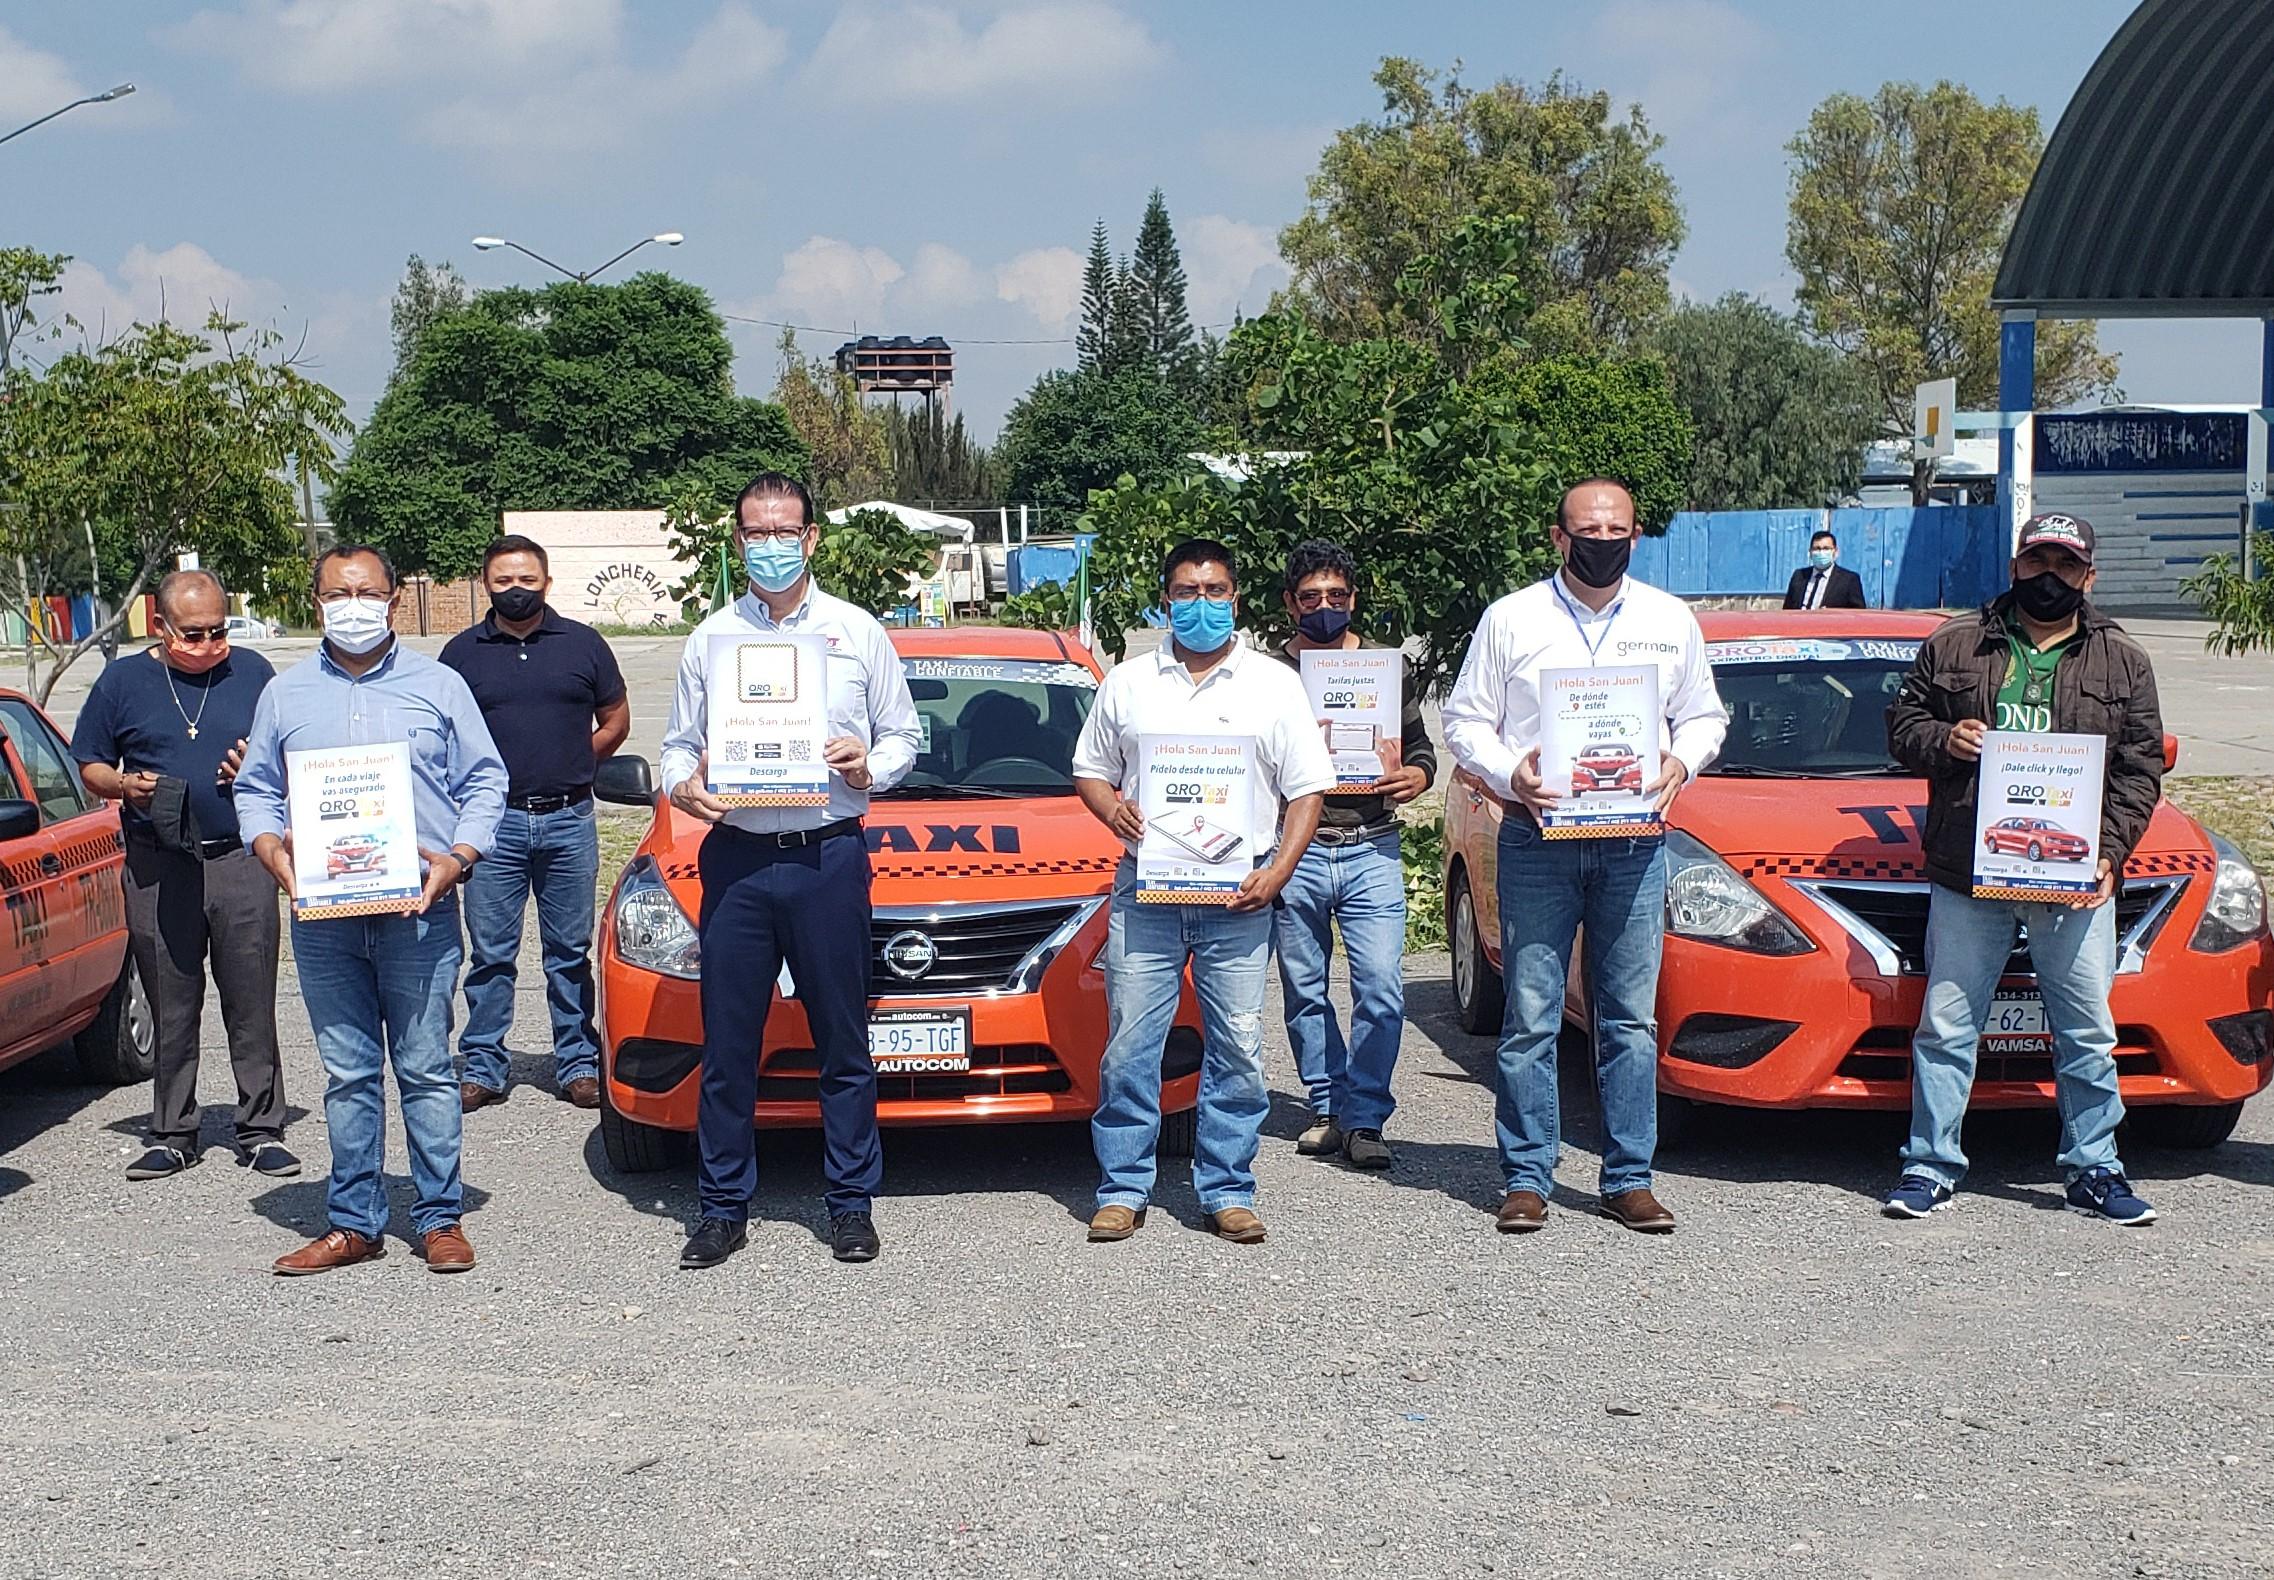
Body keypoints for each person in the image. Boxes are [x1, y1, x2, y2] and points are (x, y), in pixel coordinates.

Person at [1443, 479, 1728, 1236]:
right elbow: (1465, 720)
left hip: (1635, 844)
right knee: (1532, 1016)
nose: (1603, 541)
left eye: (1617, 530)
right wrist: (1512, 775)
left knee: (1629, 1019)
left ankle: (1628, 1177)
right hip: (1539, 841)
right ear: (1558, 538)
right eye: (1587, 530)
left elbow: (1704, 714)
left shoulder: (1671, 621)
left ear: (1637, 537)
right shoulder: (1512, 619)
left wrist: (1682, 764)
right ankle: (1527, 1176)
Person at [659, 473, 922, 1271]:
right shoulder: (710, 638)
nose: (770, 546)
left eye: (785, 533)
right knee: (728, 1044)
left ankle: (849, 1204)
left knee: (843, 1040)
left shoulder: (856, 632)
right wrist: (683, 784)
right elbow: (677, 743)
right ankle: (721, 1207)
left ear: (811, 539)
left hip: (827, 856)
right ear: (736, 542)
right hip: (736, 859)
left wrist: (869, 765)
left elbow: (904, 737)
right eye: (755, 533)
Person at [234, 545, 507, 1276]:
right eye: (337, 592)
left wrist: (461, 856)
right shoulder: (286, 695)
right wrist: (271, 851)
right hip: (324, 919)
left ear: (393, 600)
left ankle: (440, 1218)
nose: (352, 604)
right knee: (348, 1074)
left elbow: (486, 782)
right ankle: (354, 1222)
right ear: (316, 600)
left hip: (418, 911)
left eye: (367, 592)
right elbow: (255, 789)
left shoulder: (440, 686)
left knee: (425, 1069)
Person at [1881, 512, 2162, 1225]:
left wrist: (2109, 852)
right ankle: (1930, 1163)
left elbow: (2138, 771)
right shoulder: (1955, 642)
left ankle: (2095, 1167)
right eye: (2037, 562)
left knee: (2086, 1031)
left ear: (2088, 577)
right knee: (1947, 1026)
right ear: (2014, 567)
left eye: (2064, 566)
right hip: (1969, 873)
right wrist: (1947, 738)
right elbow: (1901, 729)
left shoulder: (2123, 660)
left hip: (2072, 880)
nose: (2048, 577)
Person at [1072, 538, 1333, 1246]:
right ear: (1166, 600)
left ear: (1237, 599)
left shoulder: (1273, 683)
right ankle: (1123, 1187)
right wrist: (1111, 809)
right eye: (1186, 592)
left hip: (1241, 890)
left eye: (1215, 591)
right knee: (1130, 1045)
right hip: (1147, 888)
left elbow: (1307, 787)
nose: (1201, 604)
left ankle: (1226, 1188)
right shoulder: (1127, 681)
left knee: (1240, 1047)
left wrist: (1278, 869)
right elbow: (1090, 770)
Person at [72, 569, 291, 1182]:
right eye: (193, 635)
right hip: (158, 861)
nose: (210, 644)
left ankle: (261, 1127)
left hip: (241, 858)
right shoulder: (122, 682)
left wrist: (259, 762)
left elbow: (287, 755)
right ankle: (172, 1131)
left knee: (251, 999)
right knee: (170, 1000)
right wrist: (124, 786)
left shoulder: (252, 673)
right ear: (159, 626)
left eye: (219, 631)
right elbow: (89, 762)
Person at [442, 534, 630, 1113]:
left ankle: (576, 1060)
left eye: (527, 580)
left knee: (568, 951)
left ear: (547, 583)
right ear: (486, 584)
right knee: (492, 953)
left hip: (569, 820)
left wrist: (577, 760)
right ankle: (482, 1064)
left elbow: (615, 718)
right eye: (503, 580)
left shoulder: (584, 645)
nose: (516, 590)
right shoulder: (461, 653)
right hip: (491, 826)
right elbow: (443, 735)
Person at [1271, 540, 1435, 1169]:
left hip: (1371, 846)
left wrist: (1417, 777)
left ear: (1353, 599)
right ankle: (1325, 1105)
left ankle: (1366, 1116)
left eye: (1336, 597)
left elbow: (1422, 749)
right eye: (1310, 597)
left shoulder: (1386, 671)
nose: (1324, 607)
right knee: (1303, 989)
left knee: (1381, 990)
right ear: (1290, 603)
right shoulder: (1272, 677)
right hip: (1298, 849)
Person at [1783, 531, 1866, 610]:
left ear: (1835, 552)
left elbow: (1857, 613)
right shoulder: (1799, 576)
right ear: (1810, 552)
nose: (1821, 552)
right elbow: (1787, 609)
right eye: (1817, 549)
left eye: (1826, 548)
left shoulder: (1849, 580)